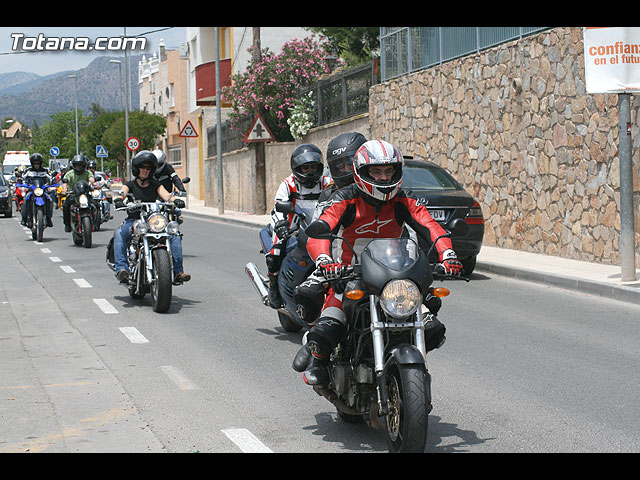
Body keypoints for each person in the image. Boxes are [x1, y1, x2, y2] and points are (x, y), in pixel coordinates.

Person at [292, 140, 463, 385]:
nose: (384, 178)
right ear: (361, 172)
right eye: (376, 171)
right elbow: (320, 230)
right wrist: (324, 259)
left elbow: (430, 226)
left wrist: (448, 255)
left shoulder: (404, 199)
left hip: (394, 274)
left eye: (389, 171)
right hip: (349, 273)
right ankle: (318, 358)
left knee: (432, 327)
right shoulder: (344, 198)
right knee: (328, 327)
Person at [292, 132, 367, 325]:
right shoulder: (330, 196)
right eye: (340, 165)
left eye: (350, 163)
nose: (346, 169)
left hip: (381, 267)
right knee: (315, 313)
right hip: (341, 268)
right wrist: (326, 262)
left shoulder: (386, 193)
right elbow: (319, 233)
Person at [264, 143, 331, 309]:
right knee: (275, 253)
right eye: (306, 167)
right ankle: (273, 285)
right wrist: (281, 225)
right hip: (293, 225)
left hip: (322, 226)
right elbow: (278, 207)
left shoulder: (327, 182)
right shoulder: (288, 184)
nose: (310, 171)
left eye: (313, 167)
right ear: (297, 168)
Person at [112, 150, 191, 284]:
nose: (145, 170)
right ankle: (122, 269)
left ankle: (178, 272)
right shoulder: (130, 185)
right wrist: (119, 199)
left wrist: (175, 200)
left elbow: (167, 196)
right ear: (137, 169)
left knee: (175, 235)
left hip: (153, 220)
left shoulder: (156, 185)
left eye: (148, 168)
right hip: (135, 220)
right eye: (143, 167)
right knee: (120, 234)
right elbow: (122, 193)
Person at [62, 155, 96, 232]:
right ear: (74, 165)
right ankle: (67, 224)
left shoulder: (88, 173)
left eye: (80, 165)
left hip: (85, 194)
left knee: (95, 205)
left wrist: (94, 183)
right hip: (73, 194)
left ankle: (94, 222)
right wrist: (64, 189)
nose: (78, 167)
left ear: (84, 165)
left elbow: (91, 179)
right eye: (77, 165)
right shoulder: (69, 173)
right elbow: (65, 182)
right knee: (65, 205)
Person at [20, 153, 54, 227]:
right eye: (35, 163)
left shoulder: (45, 170)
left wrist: (53, 181)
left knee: (50, 200)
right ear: (32, 163)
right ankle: (24, 218)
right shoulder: (28, 171)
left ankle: (48, 218)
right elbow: (22, 178)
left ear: (40, 163)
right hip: (31, 190)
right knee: (25, 200)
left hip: (42, 190)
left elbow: (51, 178)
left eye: (38, 163)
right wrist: (20, 181)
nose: (36, 165)